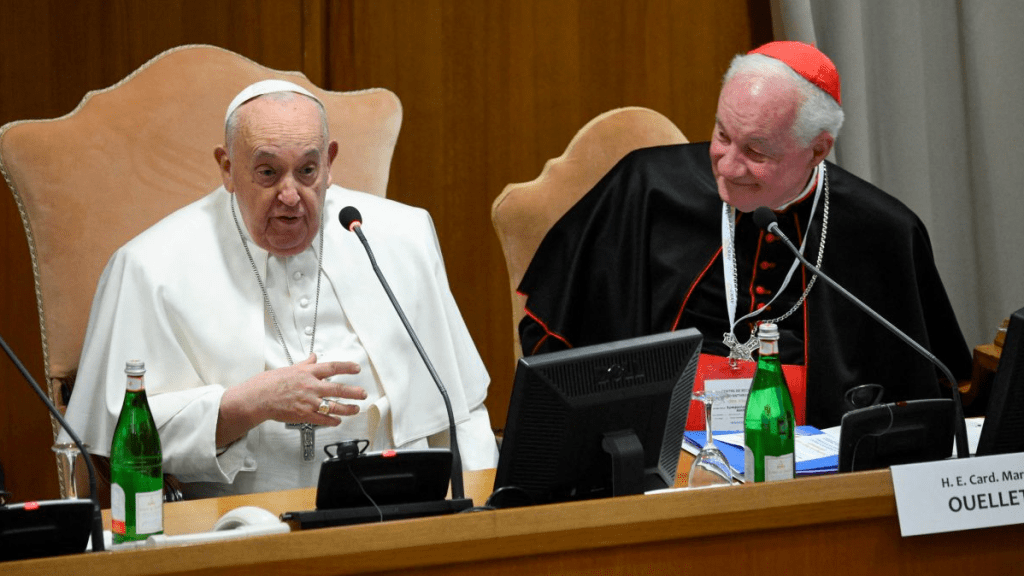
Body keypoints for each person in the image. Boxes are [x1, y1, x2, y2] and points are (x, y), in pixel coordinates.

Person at [61, 80, 498, 498]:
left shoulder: (400, 237)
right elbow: (118, 440)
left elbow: (461, 413)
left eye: (307, 171)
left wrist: (486, 517)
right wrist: (246, 404)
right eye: (268, 172)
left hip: (400, 509)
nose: (290, 196)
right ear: (228, 168)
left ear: (330, 161)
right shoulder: (149, 267)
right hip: (235, 527)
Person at [517, 41, 972, 430]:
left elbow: (927, 390)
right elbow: (553, 343)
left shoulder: (883, 232)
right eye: (722, 135)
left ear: (817, 150)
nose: (729, 166)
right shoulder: (648, 190)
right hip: (662, 461)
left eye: (755, 151)